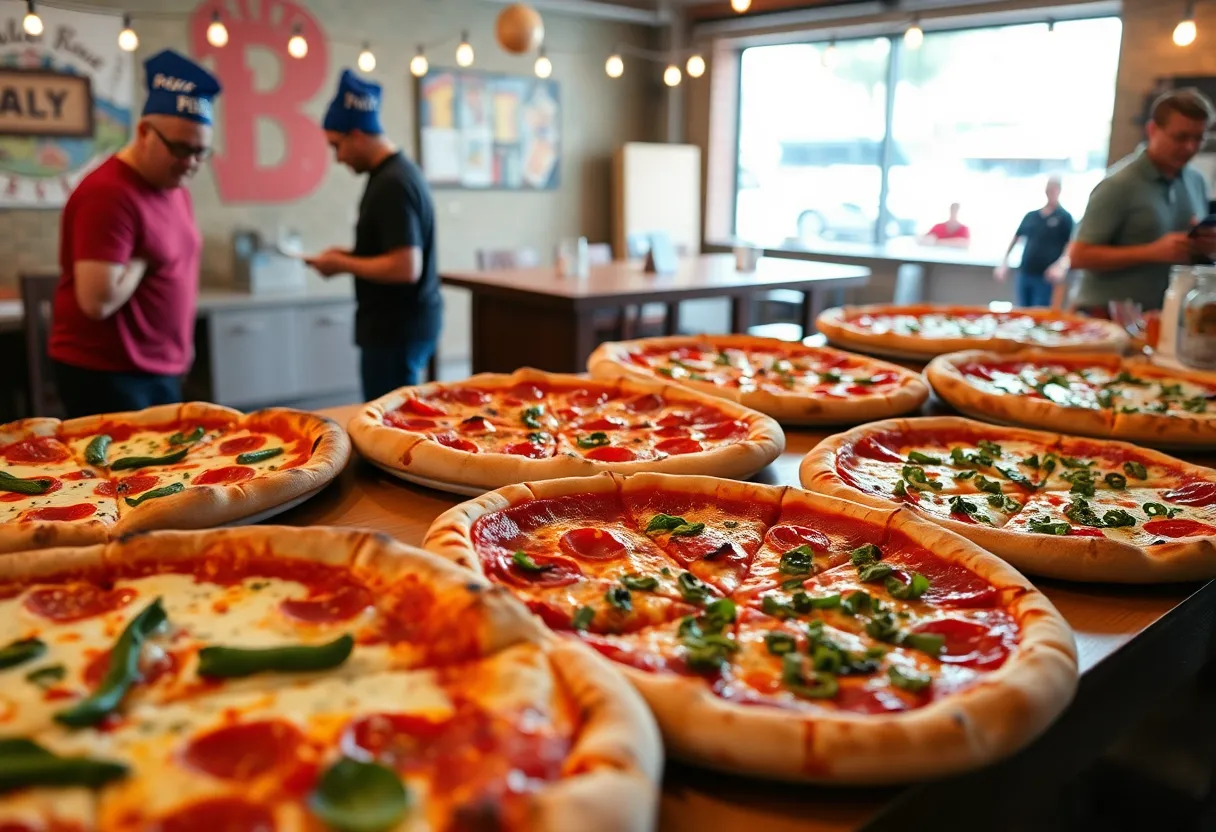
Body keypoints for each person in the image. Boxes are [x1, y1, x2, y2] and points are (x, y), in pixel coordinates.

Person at [48, 50, 220, 418]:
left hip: (159, 366)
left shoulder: (175, 187)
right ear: (144, 132)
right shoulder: (108, 194)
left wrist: (181, 347)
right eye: (180, 148)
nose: (191, 163)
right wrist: (140, 263)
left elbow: (178, 270)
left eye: (201, 152)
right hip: (110, 374)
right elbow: (97, 302)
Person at [305, 70, 441, 401]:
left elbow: (406, 267)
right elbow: (393, 251)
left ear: (357, 134)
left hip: (396, 331)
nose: (338, 158)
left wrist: (342, 265)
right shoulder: (395, 174)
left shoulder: (392, 183)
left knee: (388, 424)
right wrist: (349, 255)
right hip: (400, 326)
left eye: (337, 146)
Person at [1068, 87, 1216, 312]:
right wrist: (1151, 252)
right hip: (1106, 318)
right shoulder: (1118, 185)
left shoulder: (1196, 181)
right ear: (1152, 130)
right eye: (1181, 137)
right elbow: (1078, 256)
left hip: (1164, 316)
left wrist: (1205, 246)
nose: (1190, 147)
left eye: (1198, 139)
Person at [994, 176, 1075, 307]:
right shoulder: (1032, 216)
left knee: (1040, 311)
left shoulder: (1064, 217)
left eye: (1053, 189)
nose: (1050, 192)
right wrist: (1004, 262)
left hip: (1046, 276)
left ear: (1059, 190)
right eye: (1048, 189)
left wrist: (1060, 265)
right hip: (1025, 271)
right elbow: (1016, 238)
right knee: (1022, 309)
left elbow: (1070, 245)